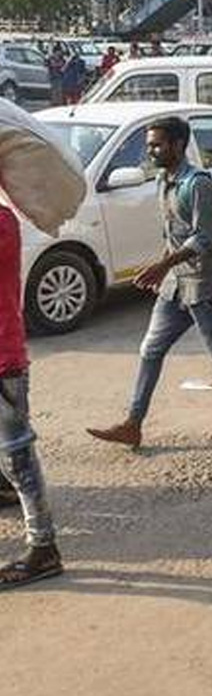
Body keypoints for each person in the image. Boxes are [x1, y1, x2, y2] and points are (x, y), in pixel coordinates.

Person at [87, 117, 212, 449]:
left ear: (178, 145)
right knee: (151, 350)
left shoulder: (198, 184)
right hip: (175, 285)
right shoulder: (165, 178)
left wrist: (163, 264)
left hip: (203, 285)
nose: (151, 151)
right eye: (149, 145)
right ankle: (133, 423)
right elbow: (172, 232)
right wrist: (164, 270)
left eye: (157, 144)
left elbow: (205, 236)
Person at [0, 202, 63, 589]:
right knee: (12, 457)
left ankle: (44, 549)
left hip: (3, 361)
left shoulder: (2, 223)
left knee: (19, 457)